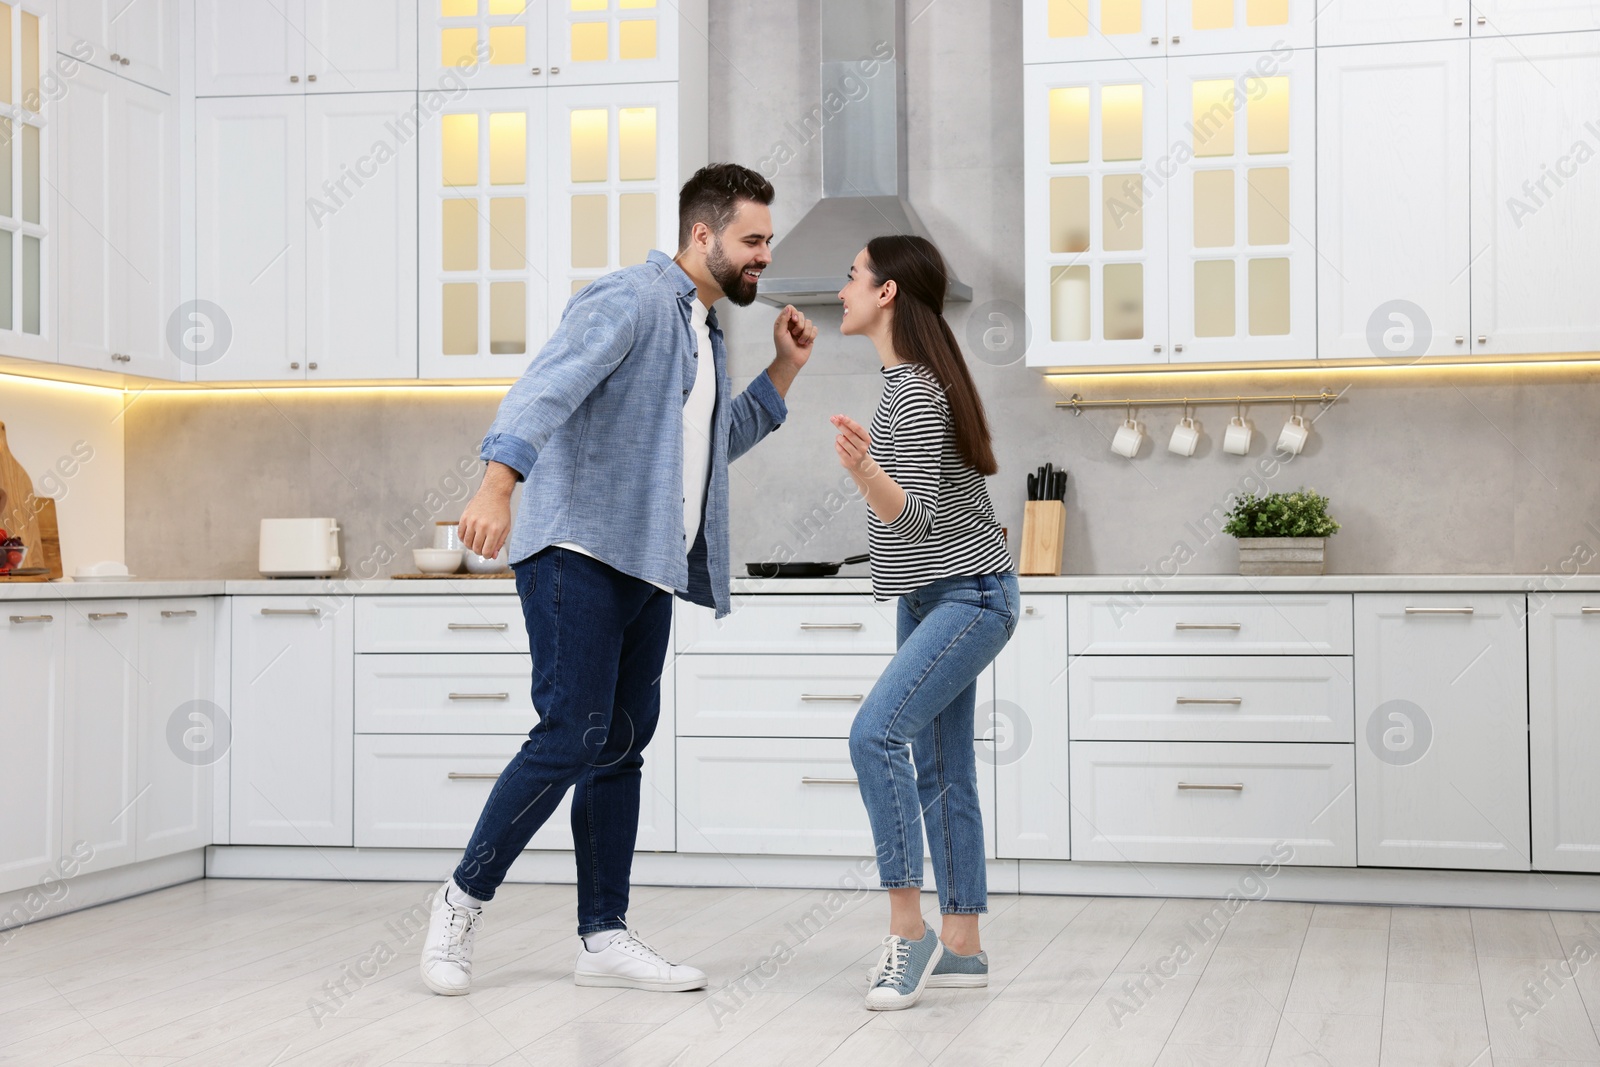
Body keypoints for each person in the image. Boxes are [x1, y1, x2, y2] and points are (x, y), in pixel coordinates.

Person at [420, 163, 817, 996]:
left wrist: (782, 369)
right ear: (702, 234)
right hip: (578, 547)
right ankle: (459, 901)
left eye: (767, 243)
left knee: (621, 745)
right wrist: (498, 483)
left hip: (645, 561)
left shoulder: (703, 332)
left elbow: (711, 444)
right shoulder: (631, 298)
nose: (762, 257)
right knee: (572, 731)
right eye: (752, 240)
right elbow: (546, 385)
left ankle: (602, 935)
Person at [830, 234, 1019, 1011]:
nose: (841, 288)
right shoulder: (910, 382)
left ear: (885, 294)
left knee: (873, 735)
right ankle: (964, 944)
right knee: (943, 770)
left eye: (851, 275)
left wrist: (861, 469)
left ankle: (909, 931)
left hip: (967, 596)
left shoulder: (913, 389)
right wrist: (873, 466)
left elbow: (917, 519)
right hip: (936, 596)